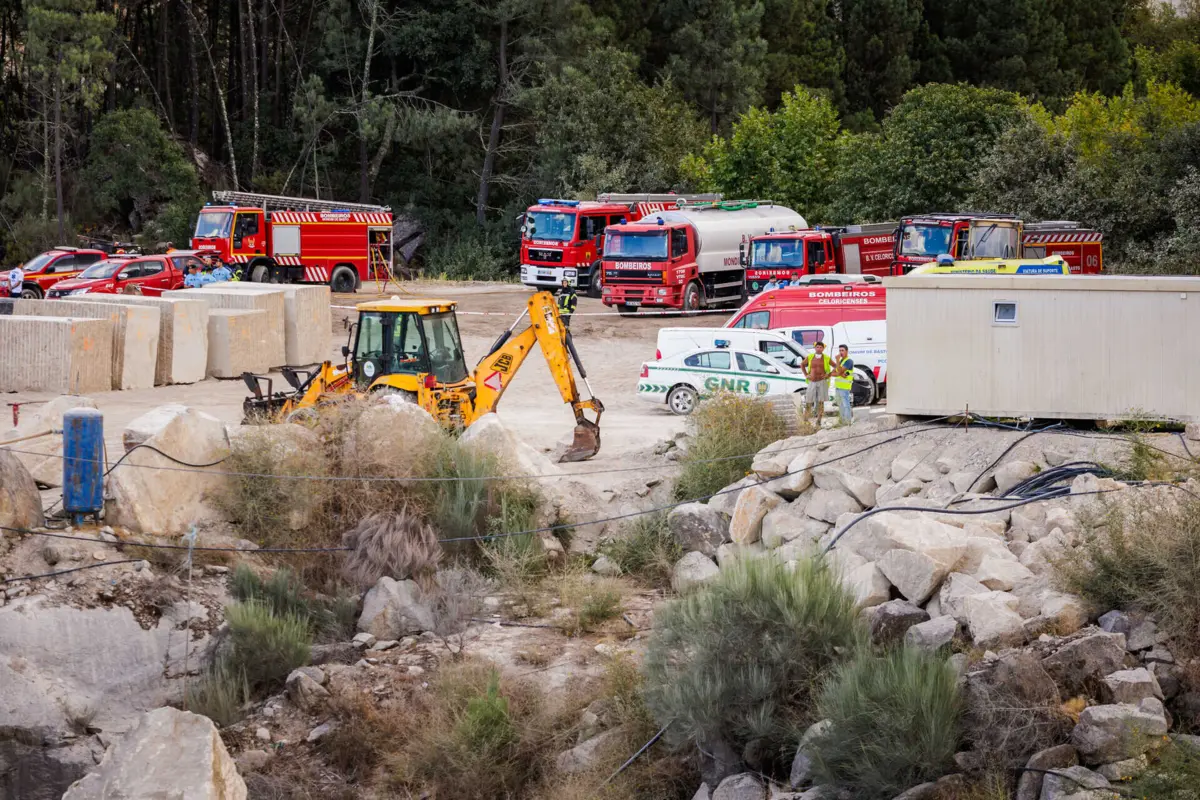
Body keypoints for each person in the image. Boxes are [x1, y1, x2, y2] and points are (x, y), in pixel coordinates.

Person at [802, 340, 832, 422]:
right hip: (812, 381)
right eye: (817, 347)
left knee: (821, 402)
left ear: (823, 349)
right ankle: (805, 420)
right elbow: (802, 364)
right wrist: (806, 375)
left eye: (820, 347)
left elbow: (835, 366)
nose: (819, 349)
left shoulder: (826, 358)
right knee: (808, 401)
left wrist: (828, 375)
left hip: (822, 381)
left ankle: (819, 421)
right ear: (815, 348)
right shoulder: (810, 357)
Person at [832, 344, 855, 425]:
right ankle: (842, 421)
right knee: (840, 405)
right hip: (838, 387)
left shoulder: (849, 361)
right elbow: (833, 373)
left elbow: (839, 371)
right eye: (840, 350)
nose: (841, 352)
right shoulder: (841, 361)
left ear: (847, 351)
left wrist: (837, 361)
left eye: (842, 350)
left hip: (844, 387)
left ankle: (848, 421)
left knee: (846, 405)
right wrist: (840, 373)